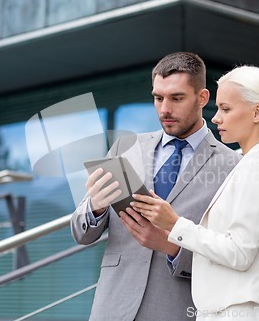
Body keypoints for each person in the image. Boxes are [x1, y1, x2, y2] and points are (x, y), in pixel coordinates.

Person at [71, 52, 241, 320]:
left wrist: (172, 247)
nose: (164, 110)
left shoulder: (232, 166)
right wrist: (95, 206)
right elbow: (81, 234)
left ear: (203, 98)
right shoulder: (125, 148)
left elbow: (232, 257)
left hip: (176, 308)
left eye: (177, 98)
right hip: (112, 306)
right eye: (158, 98)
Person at [131, 65, 259, 320]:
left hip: (242, 310)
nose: (215, 118)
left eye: (226, 109)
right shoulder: (251, 162)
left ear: (257, 112)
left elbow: (239, 252)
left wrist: (174, 224)